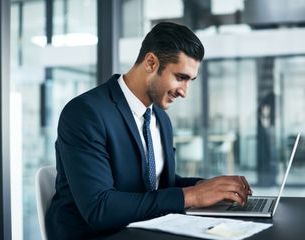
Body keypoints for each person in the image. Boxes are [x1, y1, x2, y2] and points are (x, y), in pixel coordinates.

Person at [45, 22, 252, 239]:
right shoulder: (86, 113)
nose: (184, 92)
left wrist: (210, 188)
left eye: (190, 80)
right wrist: (193, 196)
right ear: (151, 62)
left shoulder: (160, 118)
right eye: (180, 77)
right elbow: (100, 208)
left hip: (142, 230)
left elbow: (157, 184)